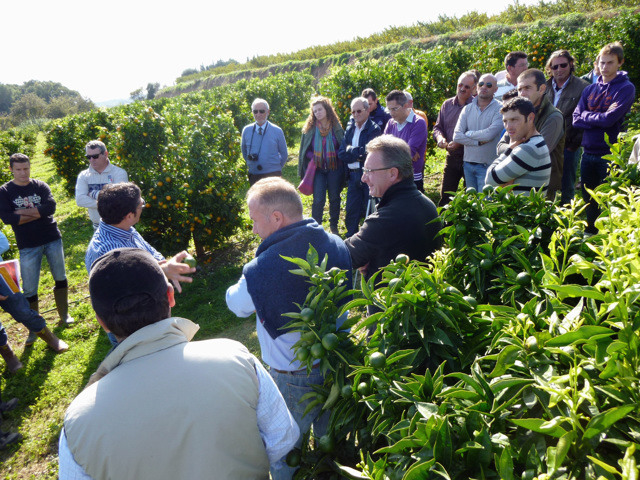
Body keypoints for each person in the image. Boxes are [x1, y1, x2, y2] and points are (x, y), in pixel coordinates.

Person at [59, 248, 299, 480]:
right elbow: (283, 439)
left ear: (101, 322)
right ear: (170, 296)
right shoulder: (236, 357)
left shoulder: (78, 420)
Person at [226, 177, 352, 480]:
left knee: (285, 451)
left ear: (276, 218)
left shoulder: (263, 267)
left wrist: (248, 273)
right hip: (336, 363)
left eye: (255, 221)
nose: (253, 230)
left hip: (293, 375)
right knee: (331, 437)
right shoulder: (335, 243)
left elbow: (237, 304)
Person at [85, 182, 195, 346]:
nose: (143, 205)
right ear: (129, 215)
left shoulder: (123, 228)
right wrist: (162, 270)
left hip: (146, 315)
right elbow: (130, 290)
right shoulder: (110, 252)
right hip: (131, 328)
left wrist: (164, 266)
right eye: (141, 204)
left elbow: (151, 254)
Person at [0, 153, 74, 347]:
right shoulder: (5, 191)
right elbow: (7, 218)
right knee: (30, 287)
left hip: (51, 238)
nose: (23, 173)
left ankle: (64, 315)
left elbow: (51, 208)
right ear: (11, 169)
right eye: (18, 169)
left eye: (26, 168)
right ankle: (35, 328)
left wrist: (21, 213)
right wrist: (37, 212)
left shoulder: (40, 186)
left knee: (60, 276)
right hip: (27, 244)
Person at [345, 135, 442, 281]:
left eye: (369, 171)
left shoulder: (386, 218)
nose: (363, 178)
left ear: (392, 173)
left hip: (394, 295)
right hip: (424, 292)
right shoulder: (427, 205)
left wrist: (312, 230)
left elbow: (344, 255)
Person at [573, 42, 636, 233]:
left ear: (620, 63)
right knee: (588, 198)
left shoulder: (625, 88)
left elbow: (610, 120)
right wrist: (599, 117)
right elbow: (576, 119)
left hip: (609, 154)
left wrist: (588, 116)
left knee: (608, 199)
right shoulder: (590, 89)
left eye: (610, 63)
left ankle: (608, 236)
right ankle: (590, 233)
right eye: (602, 62)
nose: (605, 67)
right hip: (587, 152)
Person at [497, 68, 564, 200]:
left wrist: (513, 147)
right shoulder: (519, 113)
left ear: (542, 89)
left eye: (527, 88)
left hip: (541, 187)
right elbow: (500, 147)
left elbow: (536, 153)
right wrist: (517, 147)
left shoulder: (553, 117)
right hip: (514, 181)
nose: (522, 93)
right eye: (520, 89)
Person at [0, 231, 68, 361]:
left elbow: (2, 242)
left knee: (21, 309)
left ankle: (50, 338)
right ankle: (8, 356)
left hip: (1, 277)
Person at [544, 50, 590, 204]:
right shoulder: (544, 86)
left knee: (567, 184)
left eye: (563, 65)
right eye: (554, 66)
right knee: (545, 182)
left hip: (569, 144)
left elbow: (585, 117)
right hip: (546, 142)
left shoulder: (583, 87)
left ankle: (567, 213)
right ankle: (546, 213)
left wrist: (574, 144)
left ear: (571, 64)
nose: (559, 69)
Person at [297, 96, 345, 235]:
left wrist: (333, 154)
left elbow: (342, 147)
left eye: (320, 109)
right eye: (315, 111)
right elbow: (305, 150)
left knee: (334, 197)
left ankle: (334, 226)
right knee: (318, 199)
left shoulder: (336, 127)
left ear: (327, 109)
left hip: (334, 168)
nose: (317, 113)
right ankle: (316, 227)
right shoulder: (310, 129)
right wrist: (314, 157)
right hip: (317, 169)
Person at [485, 97, 551, 194]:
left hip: (522, 204)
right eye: (505, 121)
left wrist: (508, 150)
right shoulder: (537, 142)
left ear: (530, 118)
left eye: (514, 119)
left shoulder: (528, 149)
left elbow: (489, 180)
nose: (508, 127)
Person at [338, 96, 382, 237]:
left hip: (368, 175)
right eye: (353, 112)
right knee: (351, 210)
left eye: (359, 111)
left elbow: (370, 153)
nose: (355, 114)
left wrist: (352, 151)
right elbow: (341, 153)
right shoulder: (350, 128)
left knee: (370, 210)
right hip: (352, 175)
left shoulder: (374, 129)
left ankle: (370, 237)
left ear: (367, 110)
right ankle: (351, 238)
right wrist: (358, 153)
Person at [453, 74, 503, 192]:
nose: (484, 87)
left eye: (489, 85)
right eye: (481, 84)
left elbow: (489, 135)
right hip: (468, 164)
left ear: (495, 89)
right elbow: (457, 136)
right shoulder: (467, 109)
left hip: (488, 166)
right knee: (472, 200)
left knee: (486, 201)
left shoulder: (500, 109)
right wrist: (477, 142)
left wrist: (468, 133)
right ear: (476, 87)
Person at [434, 71, 477, 206]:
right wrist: (440, 138)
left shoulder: (476, 106)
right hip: (452, 157)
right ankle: (444, 219)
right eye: (460, 85)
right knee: (446, 196)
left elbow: (477, 133)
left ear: (474, 89)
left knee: (471, 196)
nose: (462, 89)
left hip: (470, 157)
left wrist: (460, 142)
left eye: (467, 87)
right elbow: (438, 127)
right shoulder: (447, 105)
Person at [75, 140, 128, 230]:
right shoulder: (83, 176)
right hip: (97, 226)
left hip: (119, 225)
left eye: (95, 156)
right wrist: (107, 202)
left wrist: (93, 194)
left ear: (106, 154)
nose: (91, 160)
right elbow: (80, 200)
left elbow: (119, 200)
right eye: (88, 157)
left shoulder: (119, 173)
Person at [383, 90, 429, 192]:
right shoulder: (391, 123)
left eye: (394, 109)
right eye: (389, 109)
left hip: (411, 178)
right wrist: (404, 150)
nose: (391, 113)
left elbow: (409, 152)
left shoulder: (418, 123)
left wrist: (406, 152)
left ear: (405, 106)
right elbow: (383, 149)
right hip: (393, 178)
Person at [241, 98, 289, 185]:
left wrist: (275, 168)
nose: (258, 114)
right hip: (254, 174)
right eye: (255, 111)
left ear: (268, 112)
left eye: (262, 111)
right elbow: (244, 152)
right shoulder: (246, 130)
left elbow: (284, 154)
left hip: (273, 175)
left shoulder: (277, 131)